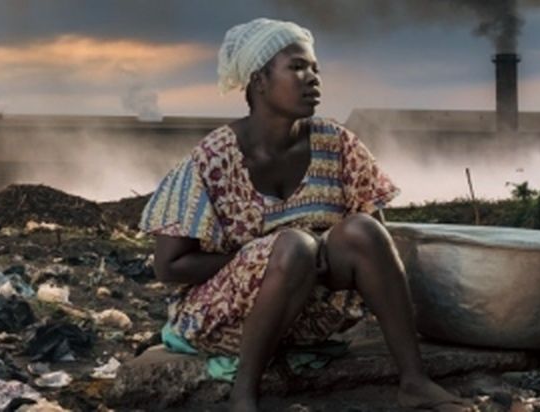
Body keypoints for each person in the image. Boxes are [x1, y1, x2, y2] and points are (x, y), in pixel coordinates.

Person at [139, 18, 470, 412]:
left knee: (362, 230)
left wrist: (315, 263)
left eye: (315, 69)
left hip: (312, 314)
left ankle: (414, 381)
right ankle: (244, 397)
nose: (313, 78)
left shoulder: (339, 145)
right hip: (225, 320)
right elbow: (169, 265)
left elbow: (376, 248)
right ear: (259, 80)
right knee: (295, 246)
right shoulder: (212, 160)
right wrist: (267, 262)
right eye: (297, 67)